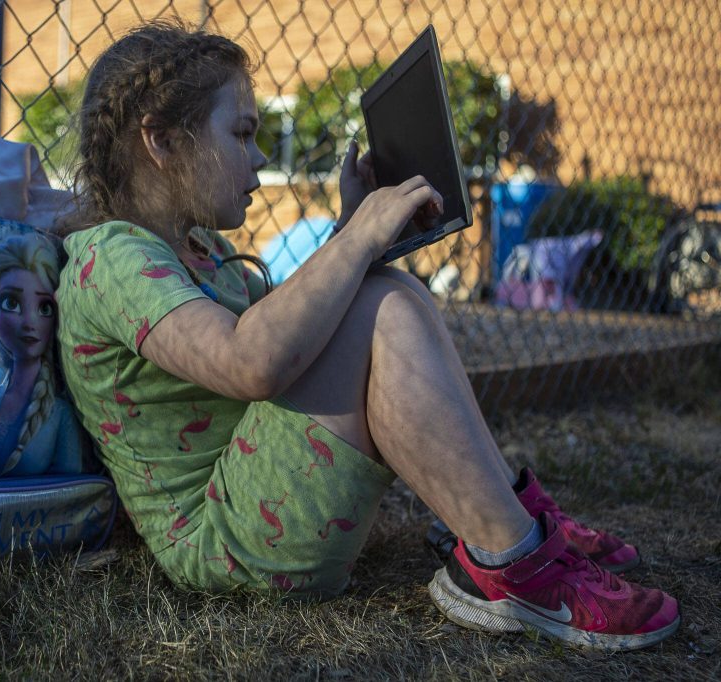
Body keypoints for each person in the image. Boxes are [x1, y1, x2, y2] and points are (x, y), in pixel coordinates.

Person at [55, 21, 679, 651]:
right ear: (161, 140)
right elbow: (248, 362)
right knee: (382, 301)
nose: (262, 155)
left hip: (250, 486)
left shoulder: (194, 247)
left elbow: (296, 340)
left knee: (388, 292)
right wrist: (357, 242)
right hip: (224, 541)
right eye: (243, 133)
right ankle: (517, 564)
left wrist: (348, 231)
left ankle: (509, 524)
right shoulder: (112, 258)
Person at [0, 233, 89, 477]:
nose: (30, 322)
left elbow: (68, 497)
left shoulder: (61, 416)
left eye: (44, 308)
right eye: (11, 303)